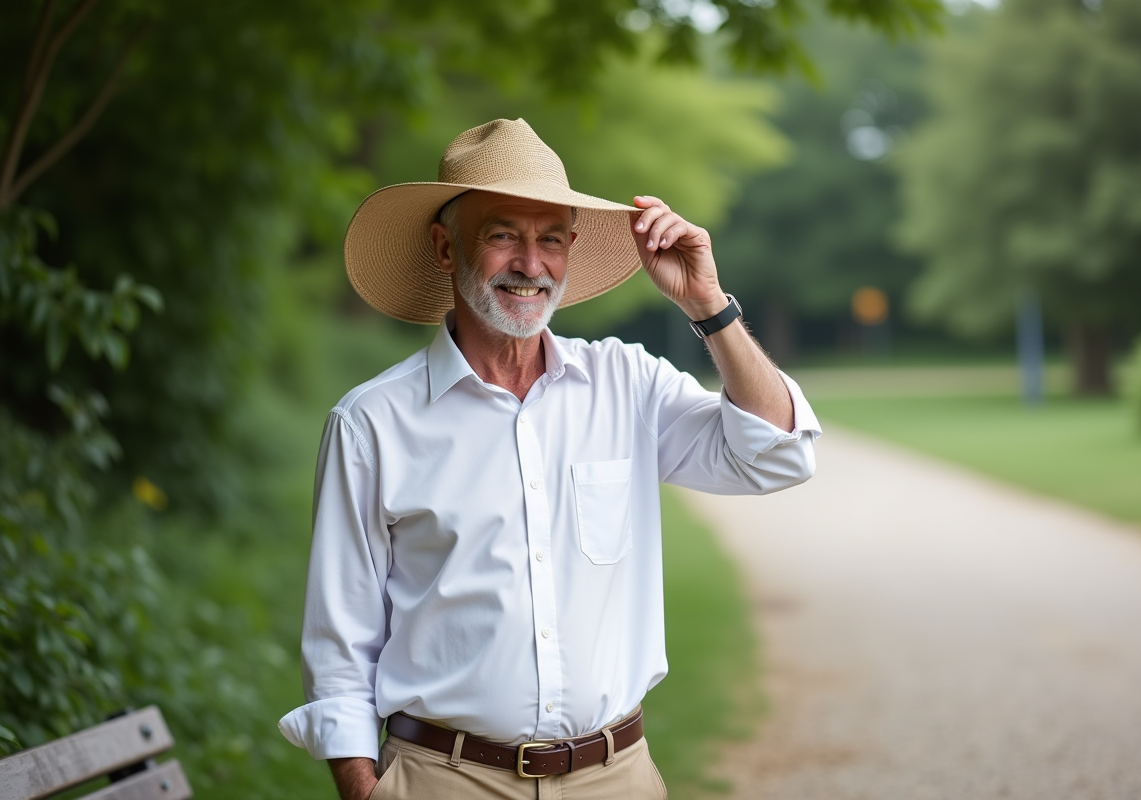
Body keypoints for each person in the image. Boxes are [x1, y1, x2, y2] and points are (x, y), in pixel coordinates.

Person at [278, 118, 821, 800]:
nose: (530, 265)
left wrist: (708, 306)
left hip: (615, 777)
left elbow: (777, 457)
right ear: (446, 248)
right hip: (443, 781)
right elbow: (339, 646)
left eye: (551, 240)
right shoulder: (372, 422)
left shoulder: (628, 383)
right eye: (503, 234)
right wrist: (365, 791)